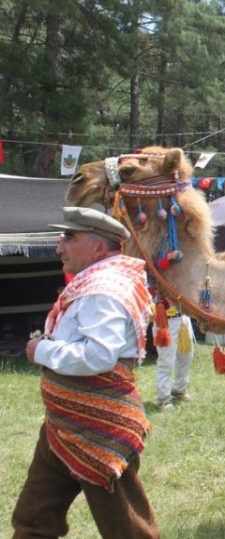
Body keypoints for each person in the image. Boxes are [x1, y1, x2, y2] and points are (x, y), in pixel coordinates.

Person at [12, 207, 160, 538]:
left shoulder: (103, 289)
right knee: (33, 519)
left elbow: (99, 356)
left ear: (98, 248)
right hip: (63, 425)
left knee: (127, 530)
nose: (59, 246)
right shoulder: (96, 283)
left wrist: (43, 351)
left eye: (69, 237)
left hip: (99, 429)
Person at [155, 303, 195, 410]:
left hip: (184, 318)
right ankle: (163, 399)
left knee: (186, 357)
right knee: (166, 362)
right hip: (165, 321)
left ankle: (179, 389)